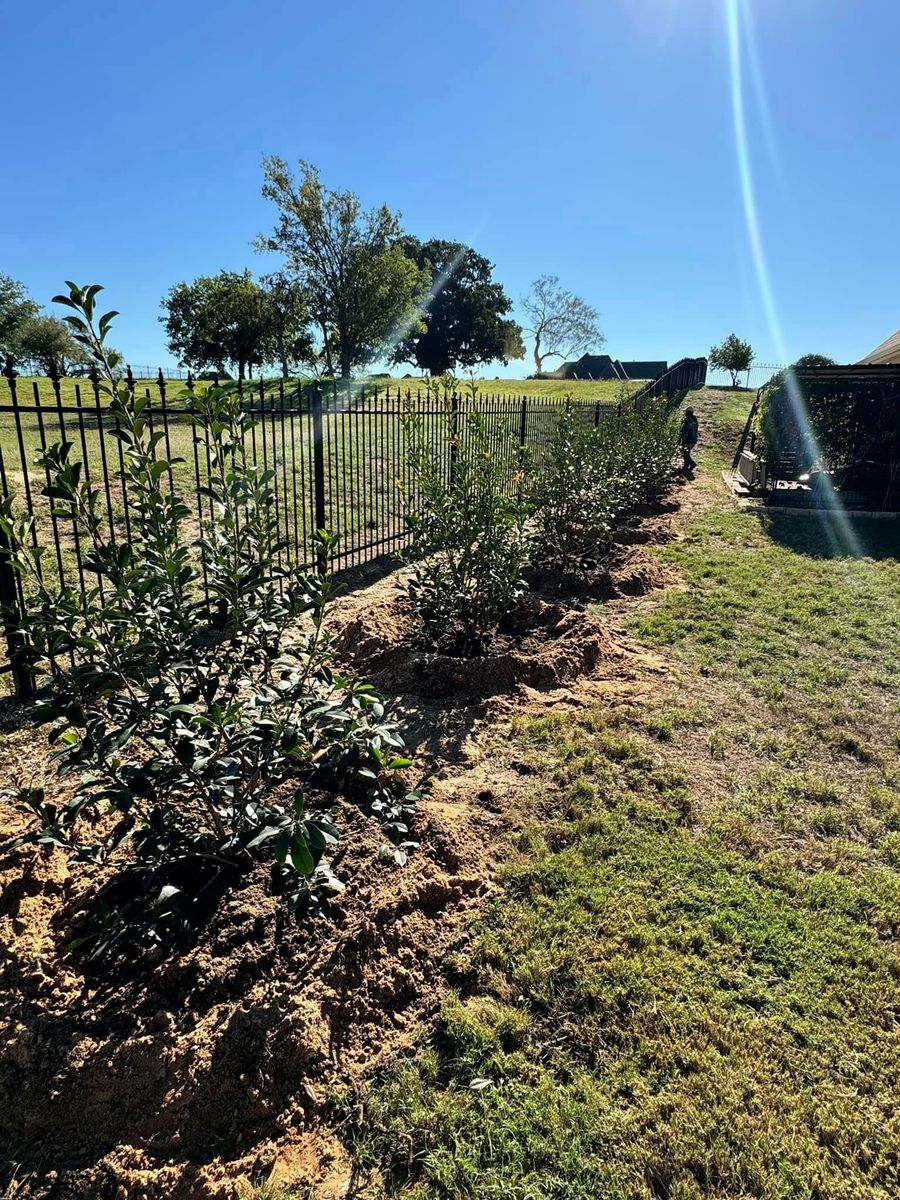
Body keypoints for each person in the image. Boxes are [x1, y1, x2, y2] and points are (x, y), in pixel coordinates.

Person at [680, 406, 699, 473]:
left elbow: (685, 431)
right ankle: (687, 465)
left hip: (688, 440)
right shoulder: (695, 420)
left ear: (688, 413)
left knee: (686, 453)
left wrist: (682, 439)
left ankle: (691, 464)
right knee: (687, 452)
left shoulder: (687, 420)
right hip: (694, 440)